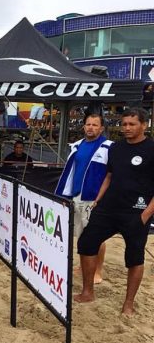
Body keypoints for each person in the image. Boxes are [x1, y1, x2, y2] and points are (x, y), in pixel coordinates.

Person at [74, 108, 154, 315]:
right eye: (124, 123)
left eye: (132, 124)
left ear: (144, 125)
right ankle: (88, 292)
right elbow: (109, 176)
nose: (126, 128)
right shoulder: (116, 148)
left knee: (134, 258)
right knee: (86, 243)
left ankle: (128, 304)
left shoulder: (152, 149)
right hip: (108, 208)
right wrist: (98, 200)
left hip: (136, 212)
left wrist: (145, 215)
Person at [55, 113, 111, 284]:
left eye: (95, 125)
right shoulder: (77, 145)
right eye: (88, 124)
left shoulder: (109, 147)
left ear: (101, 128)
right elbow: (70, 172)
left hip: (94, 198)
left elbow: (111, 175)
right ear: (83, 126)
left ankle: (97, 271)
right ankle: (84, 266)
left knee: (96, 236)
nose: (91, 128)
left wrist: (102, 198)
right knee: (81, 234)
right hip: (77, 195)